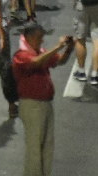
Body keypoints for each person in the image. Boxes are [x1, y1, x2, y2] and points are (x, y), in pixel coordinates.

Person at [11, 20, 75, 176]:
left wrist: (68, 49)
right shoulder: (21, 56)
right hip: (32, 106)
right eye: (40, 37)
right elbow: (35, 63)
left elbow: (58, 61)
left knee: (46, 146)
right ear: (30, 37)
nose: (42, 40)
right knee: (34, 147)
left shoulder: (40, 52)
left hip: (45, 104)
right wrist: (58, 46)